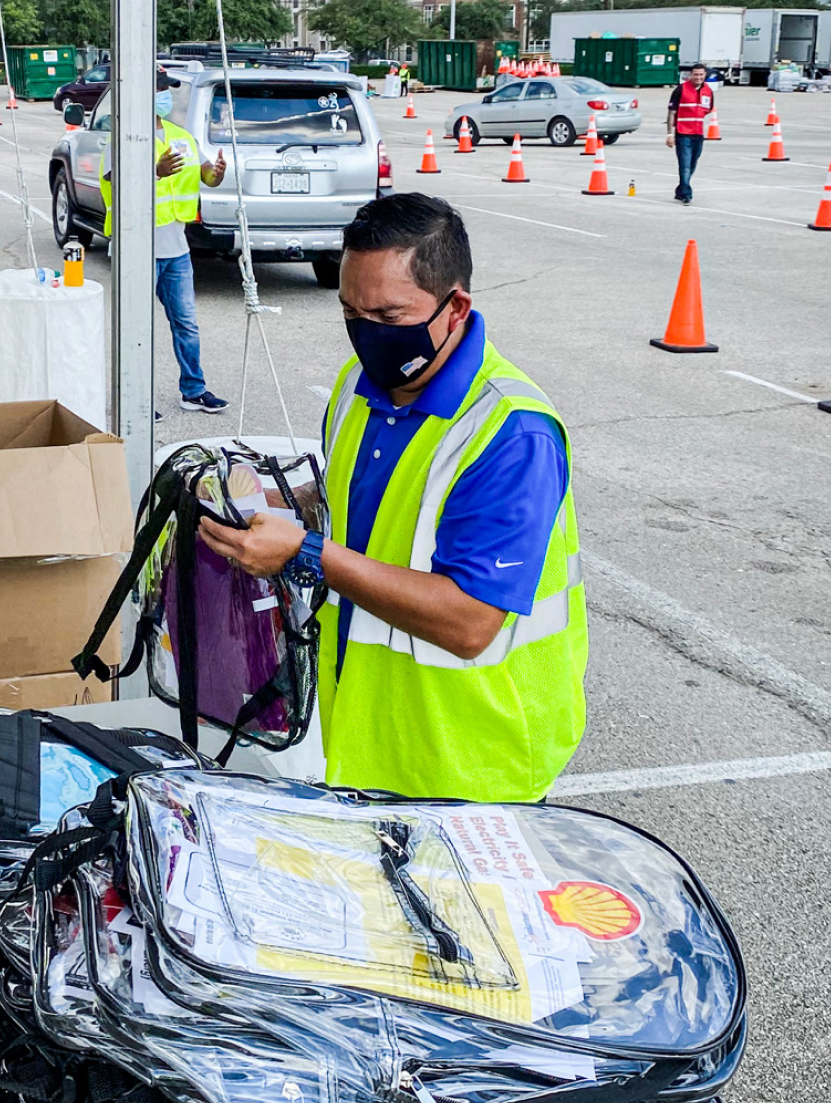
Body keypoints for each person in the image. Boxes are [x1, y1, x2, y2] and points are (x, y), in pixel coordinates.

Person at [199, 193, 586, 803]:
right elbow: (360, 502)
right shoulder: (360, 384)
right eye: (350, 312)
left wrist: (304, 552)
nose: (366, 334)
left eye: (388, 315)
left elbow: (469, 623)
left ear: (455, 308)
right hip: (371, 742)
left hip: (470, 764)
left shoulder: (510, 432)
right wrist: (279, 501)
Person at [103, 74, 230, 414]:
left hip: (176, 251)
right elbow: (115, 181)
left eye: (166, 90)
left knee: (186, 323)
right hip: (138, 251)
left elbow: (205, 175)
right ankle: (134, 396)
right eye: (159, 89)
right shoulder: (124, 137)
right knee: (136, 327)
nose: (165, 96)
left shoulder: (181, 137)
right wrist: (153, 170)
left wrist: (216, 174)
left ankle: (194, 390)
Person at [666, 63, 714, 205]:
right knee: (685, 165)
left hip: (698, 134)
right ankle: (687, 194)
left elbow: (708, 109)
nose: (698, 77)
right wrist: (669, 134)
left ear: (705, 75)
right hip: (683, 133)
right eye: (695, 74)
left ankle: (681, 190)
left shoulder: (708, 91)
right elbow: (671, 113)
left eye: (701, 75)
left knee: (692, 164)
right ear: (690, 75)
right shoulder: (681, 90)